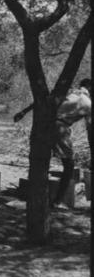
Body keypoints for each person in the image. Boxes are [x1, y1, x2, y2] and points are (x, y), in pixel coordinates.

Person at [14, 78, 92, 209]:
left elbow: (44, 101)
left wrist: (23, 112)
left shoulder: (69, 93)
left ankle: (36, 195)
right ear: (90, 88)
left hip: (43, 123)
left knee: (41, 160)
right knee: (69, 165)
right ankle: (58, 201)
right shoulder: (87, 103)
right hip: (59, 128)